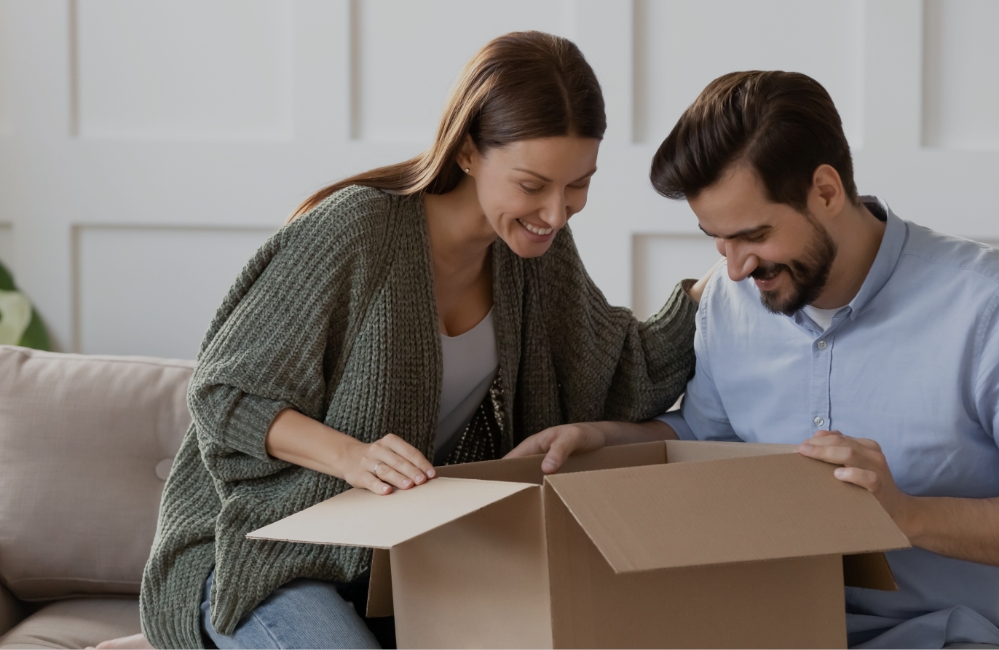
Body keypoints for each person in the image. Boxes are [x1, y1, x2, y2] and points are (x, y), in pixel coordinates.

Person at [97, 31, 710, 650]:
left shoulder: (536, 253)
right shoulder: (357, 228)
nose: (556, 212)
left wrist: (726, 271)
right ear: (468, 151)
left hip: (392, 563)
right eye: (532, 185)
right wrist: (350, 457)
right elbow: (224, 395)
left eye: (578, 183)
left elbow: (620, 369)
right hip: (260, 553)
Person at [509, 70, 999, 649]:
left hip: (947, 636)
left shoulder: (998, 307)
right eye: (718, 239)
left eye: (755, 235)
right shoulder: (730, 301)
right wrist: (605, 437)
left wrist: (907, 515)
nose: (735, 267)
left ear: (826, 190)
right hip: (762, 627)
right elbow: (705, 435)